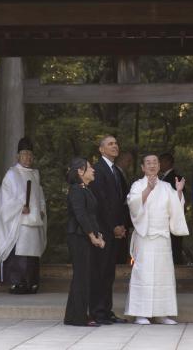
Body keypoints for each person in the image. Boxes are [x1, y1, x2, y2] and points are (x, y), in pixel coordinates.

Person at [125, 153, 188, 325]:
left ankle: (162, 313)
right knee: (143, 275)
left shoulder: (167, 187)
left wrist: (179, 192)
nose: (152, 165)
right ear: (143, 167)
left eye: (155, 162)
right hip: (145, 236)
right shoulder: (137, 185)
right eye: (148, 162)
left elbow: (176, 209)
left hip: (162, 236)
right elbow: (133, 205)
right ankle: (141, 313)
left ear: (159, 166)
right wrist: (148, 189)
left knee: (163, 276)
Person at [88, 135, 131, 324]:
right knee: (100, 271)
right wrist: (113, 226)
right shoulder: (98, 169)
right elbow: (102, 202)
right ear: (101, 149)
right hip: (103, 231)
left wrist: (122, 225)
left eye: (116, 143)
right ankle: (98, 312)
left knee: (109, 273)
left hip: (115, 230)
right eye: (110, 144)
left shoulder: (116, 171)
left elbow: (121, 202)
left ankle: (107, 310)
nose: (115, 146)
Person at [0, 137, 47, 294]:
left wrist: (42, 209)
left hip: (34, 220)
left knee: (32, 256)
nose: (28, 158)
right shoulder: (11, 175)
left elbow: (40, 197)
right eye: (24, 154)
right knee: (20, 254)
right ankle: (18, 283)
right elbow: (5, 200)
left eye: (30, 154)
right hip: (19, 222)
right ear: (18, 156)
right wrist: (19, 207)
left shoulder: (35, 175)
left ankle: (32, 282)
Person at [64, 157, 107, 327]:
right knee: (81, 277)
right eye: (89, 168)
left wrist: (99, 235)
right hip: (78, 237)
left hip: (86, 236)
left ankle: (74, 315)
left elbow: (91, 216)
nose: (93, 170)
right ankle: (78, 317)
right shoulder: (75, 190)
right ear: (80, 172)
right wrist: (92, 236)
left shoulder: (86, 189)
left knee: (84, 276)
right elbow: (80, 216)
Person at [159, 152, 184, 264]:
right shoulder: (160, 178)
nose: (159, 164)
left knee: (174, 249)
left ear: (168, 162)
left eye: (161, 162)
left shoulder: (176, 178)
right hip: (162, 221)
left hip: (172, 220)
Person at [113, 151, 136, 264]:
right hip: (118, 215)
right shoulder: (115, 172)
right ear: (121, 159)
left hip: (124, 215)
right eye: (128, 161)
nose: (129, 164)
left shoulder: (121, 173)